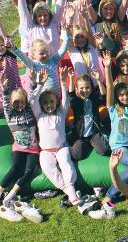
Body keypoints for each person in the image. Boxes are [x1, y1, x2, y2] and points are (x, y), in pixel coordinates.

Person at [90, 50, 128, 219]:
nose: (124, 97)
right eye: (121, 95)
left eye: (127, 94)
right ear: (117, 96)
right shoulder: (113, 108)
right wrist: (108, 67)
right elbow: (109, 86)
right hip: (119, 144)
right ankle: (110, 196)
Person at [0, 71, 40, 210]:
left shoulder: (28, 111)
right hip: (18, 148)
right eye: (16, 102)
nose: (20, 104)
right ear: (11, 102)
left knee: (30, 170)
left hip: (33, 148)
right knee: (15, 168)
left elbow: (33, 97)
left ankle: (10, 196)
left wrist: (33, 84)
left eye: (22, 101)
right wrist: (4, 89)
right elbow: (5, 103)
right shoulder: (10, 114)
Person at [31, 68, 80, 206]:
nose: (49, 105)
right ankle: (67, 190)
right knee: (46, 166)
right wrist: (40, 84)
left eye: (52, 102)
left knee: (66, 163)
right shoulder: (39, 115)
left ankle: (70, 186)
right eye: (46, 103)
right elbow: (33, 100)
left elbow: (65, 100)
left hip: (61, 148)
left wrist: (63, 82)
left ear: (56, 102)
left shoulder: (61, 113)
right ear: (41, 105)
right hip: (46, 151)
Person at [67, 70, 109, 161]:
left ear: (91, 88)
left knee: (104, 150)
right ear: (77, 89)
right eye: (81, 88)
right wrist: (70, 78)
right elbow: (71, 94)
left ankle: (95, 141)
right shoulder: (76, 102)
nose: (85, 90)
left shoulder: (94, 99)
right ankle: (84, 144)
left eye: (87, 88)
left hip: (94, 134)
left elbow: (103, 95)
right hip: (80, 135)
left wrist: (98, 80)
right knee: (76, 156)